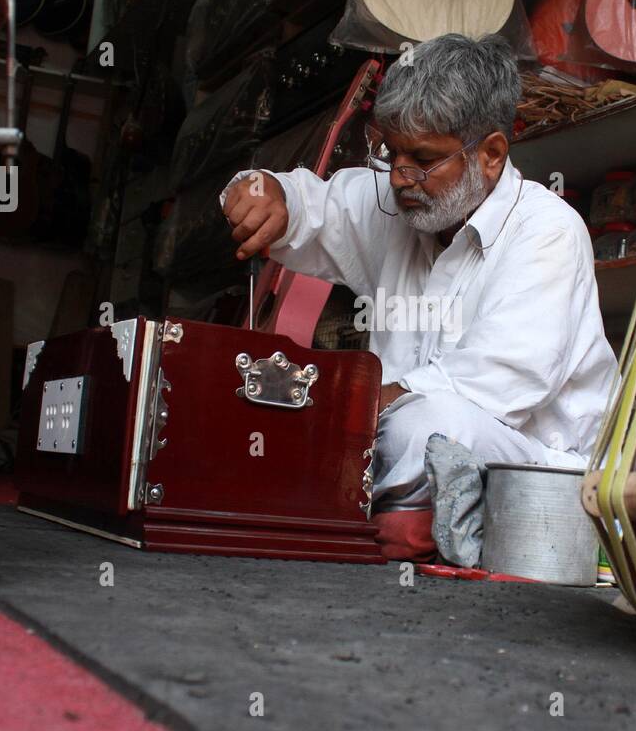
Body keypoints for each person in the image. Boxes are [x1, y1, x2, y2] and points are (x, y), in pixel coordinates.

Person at [220, 33, 615, 560]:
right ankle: (403, 520)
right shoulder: (395, 199)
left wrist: (343, 408)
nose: (401, 178)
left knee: (428, 426)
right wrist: (257, 190)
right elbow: (309, 203)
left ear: (491, 154)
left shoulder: (548, 232)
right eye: (392, 152)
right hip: (395, 437)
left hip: (533, 470)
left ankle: (389, 517)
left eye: (423, 159)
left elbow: (494, 384)